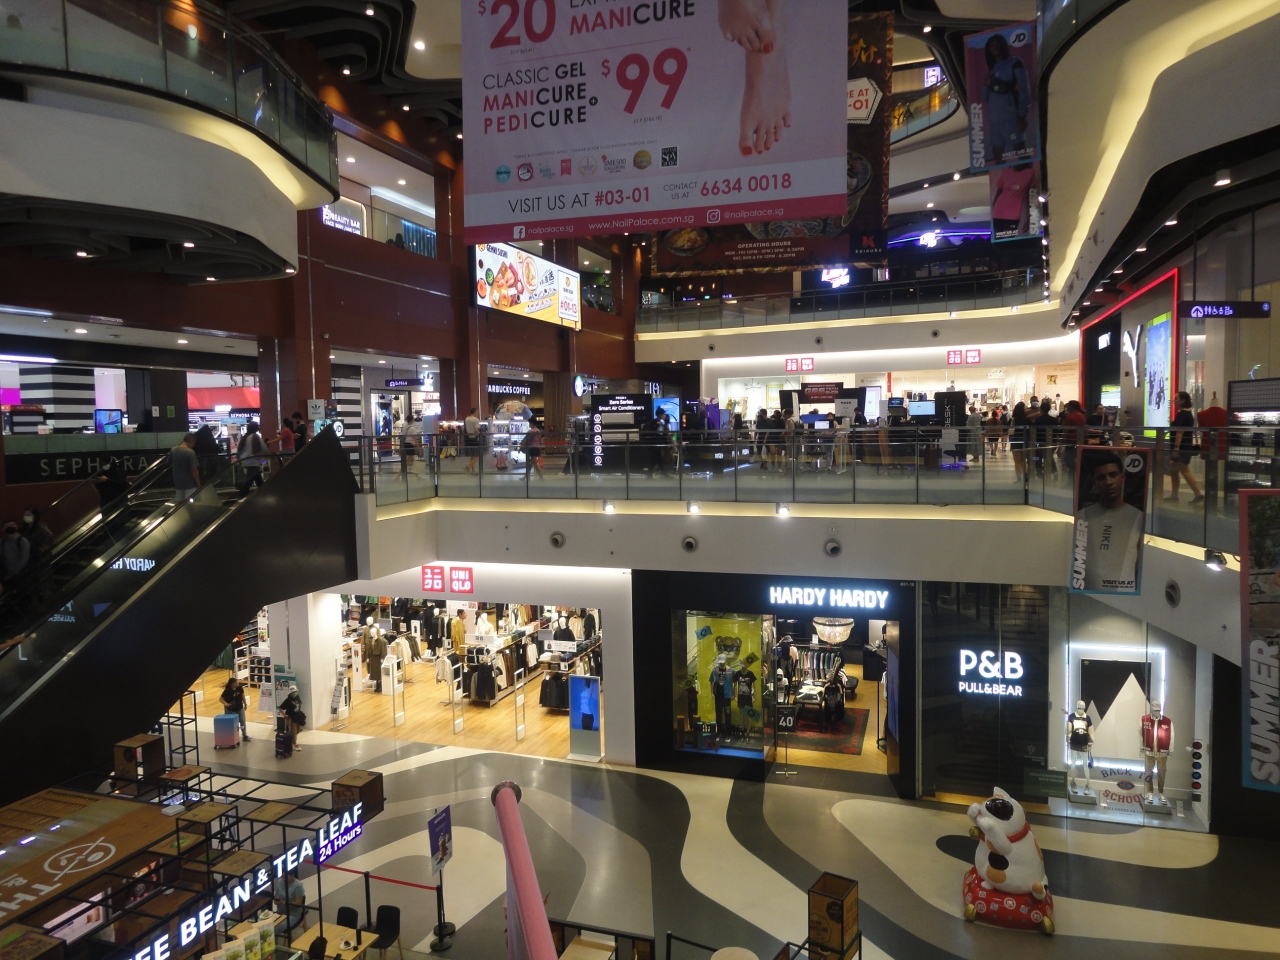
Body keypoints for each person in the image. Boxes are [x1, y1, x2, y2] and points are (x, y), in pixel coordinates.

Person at [1077, 451, 1144, 591]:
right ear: (1095, 482)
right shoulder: (1082, 517)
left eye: (1113, 475)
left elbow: (1140, 566)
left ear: (1122, 477)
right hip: (1087, 594)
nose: (1108, 482)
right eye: (1101, 478)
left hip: (1124, 596)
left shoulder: (1139, 518)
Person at [982, 31, 1032, 165]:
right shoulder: (991, 71)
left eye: (997, 44)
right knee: (998, 154)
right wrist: (990, 85)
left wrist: (1022, 115)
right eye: (992, 45)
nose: (995, 47)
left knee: (1020, 150)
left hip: (1011, 116)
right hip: (994, 120)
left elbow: (1024, 87)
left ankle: (1028, 174)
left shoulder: (1015, 62)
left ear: (1003, 45)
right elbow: (985, 96)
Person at [1167, 391, 1204, 504]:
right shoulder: (1186, 414)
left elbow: (1180, 432)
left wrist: (1176, 448)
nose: (1174, 401)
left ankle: (1196, 494)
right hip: (1185, 447)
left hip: (1182, 448)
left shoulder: (1183, 415)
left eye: (1176, 398)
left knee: (1179, 471)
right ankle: (1176, 495)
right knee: (1180, 471)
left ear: (1183, 401)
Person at [235, 422, 269, 496]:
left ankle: (264, 494)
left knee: (256, 478)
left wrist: (239, 459)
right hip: (253, 461)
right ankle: (241, 495)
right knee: (249, 480)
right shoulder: (255, 437)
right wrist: (267, 455)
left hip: (246, 461)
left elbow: (239, 451)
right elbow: (263, 449)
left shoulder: (244, 437)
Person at [273, 867, 307, 938]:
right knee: (269, 926)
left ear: (292, 875)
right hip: (280, 911)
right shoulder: (280, 882)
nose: (284, 879)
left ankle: (275, 943)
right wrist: (277, 901)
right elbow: (276, 897)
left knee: (276, 929)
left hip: (293, 914)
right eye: (282, 877)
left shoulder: (298, 886)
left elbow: (298, 904)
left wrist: (284, 903)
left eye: (286, 877)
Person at [169, 433, 200, 502]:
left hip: (178, 482)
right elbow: (193, 469)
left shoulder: (173, 450)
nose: (193, 445)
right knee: (190, 503)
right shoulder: (190, 452)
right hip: (190, 483)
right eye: (194, 443)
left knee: (180, 503)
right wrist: (198, 483)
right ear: (191, 441)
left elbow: (169, 462)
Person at [219, 676, 250, 741]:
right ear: (232, 684)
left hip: (240, 708)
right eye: (235, 682)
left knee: (242, 721)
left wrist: (245, 704)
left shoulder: (240, 688)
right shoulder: (227, 691)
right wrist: (225, 703)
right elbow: (221, 699)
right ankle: (232, 737)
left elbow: (243, 696)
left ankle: (244, 735)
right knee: (232, 723)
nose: (237, 683)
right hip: (231, 709)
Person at [1, 522, 30, 588]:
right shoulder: (2, 542)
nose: (10, 527)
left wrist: (12, 574)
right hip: (7, 574)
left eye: (12, 525)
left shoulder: (22, 541)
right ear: (3, 529)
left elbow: (24, 559)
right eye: (7, 526)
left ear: (17, 527)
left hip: (20, 574)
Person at [280, 684, 305, 751]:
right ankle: (295, 744)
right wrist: (284, 715)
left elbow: (300, 704)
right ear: (290, 693)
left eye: (295, 692)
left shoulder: (297, 697)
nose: (294, 693)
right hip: (291, 717)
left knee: (298, 730)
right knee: (293, 731)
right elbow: (280, 708)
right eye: (293, 692)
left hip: (297, 716)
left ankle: (291, 740)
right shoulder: (288, 700)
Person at [1009, 401, 1029, 483]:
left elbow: (1007, 429)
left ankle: (1018, 478)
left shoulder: (1012, 420)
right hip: (1025, 440)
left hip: (1015, 441)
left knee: (1017, 461)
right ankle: (1026, 475)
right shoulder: (1027, 420)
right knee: (1023, 460)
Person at [464, 407, 482, 474]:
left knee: (473, 455)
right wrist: (480, 434)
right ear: (475, 412)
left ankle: (473, 471)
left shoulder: (466, 419)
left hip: (468, 439)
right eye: (477, 412)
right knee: (478, 455)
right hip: (474, 439)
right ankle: (468, 466)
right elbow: (476, 429)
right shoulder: (476, 420)